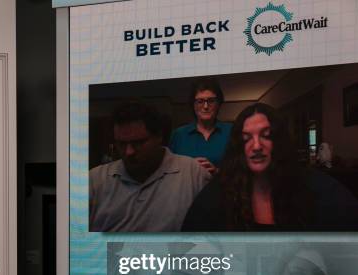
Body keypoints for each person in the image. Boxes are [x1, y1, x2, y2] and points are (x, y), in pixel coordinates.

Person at [182, 103, 358, 231]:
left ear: (279, 141)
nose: (256, 146)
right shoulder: (216, 193)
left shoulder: (323, 190)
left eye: (266, 135)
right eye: (246, 138)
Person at [89, 101, 210, 232]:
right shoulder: (95, 180)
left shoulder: (192, 173)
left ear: (159, 137)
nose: (129, 152)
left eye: (139, 143)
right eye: (122, 144)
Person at [169, 77, 232, 174]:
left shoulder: (231, 131)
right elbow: (169, 171)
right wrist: (188, 167)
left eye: (211, 101)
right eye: (200, 101)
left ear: (218, 104)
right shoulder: (179, 135)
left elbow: (241, 168)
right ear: (193, 105)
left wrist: (217, 172)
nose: (206, 106)